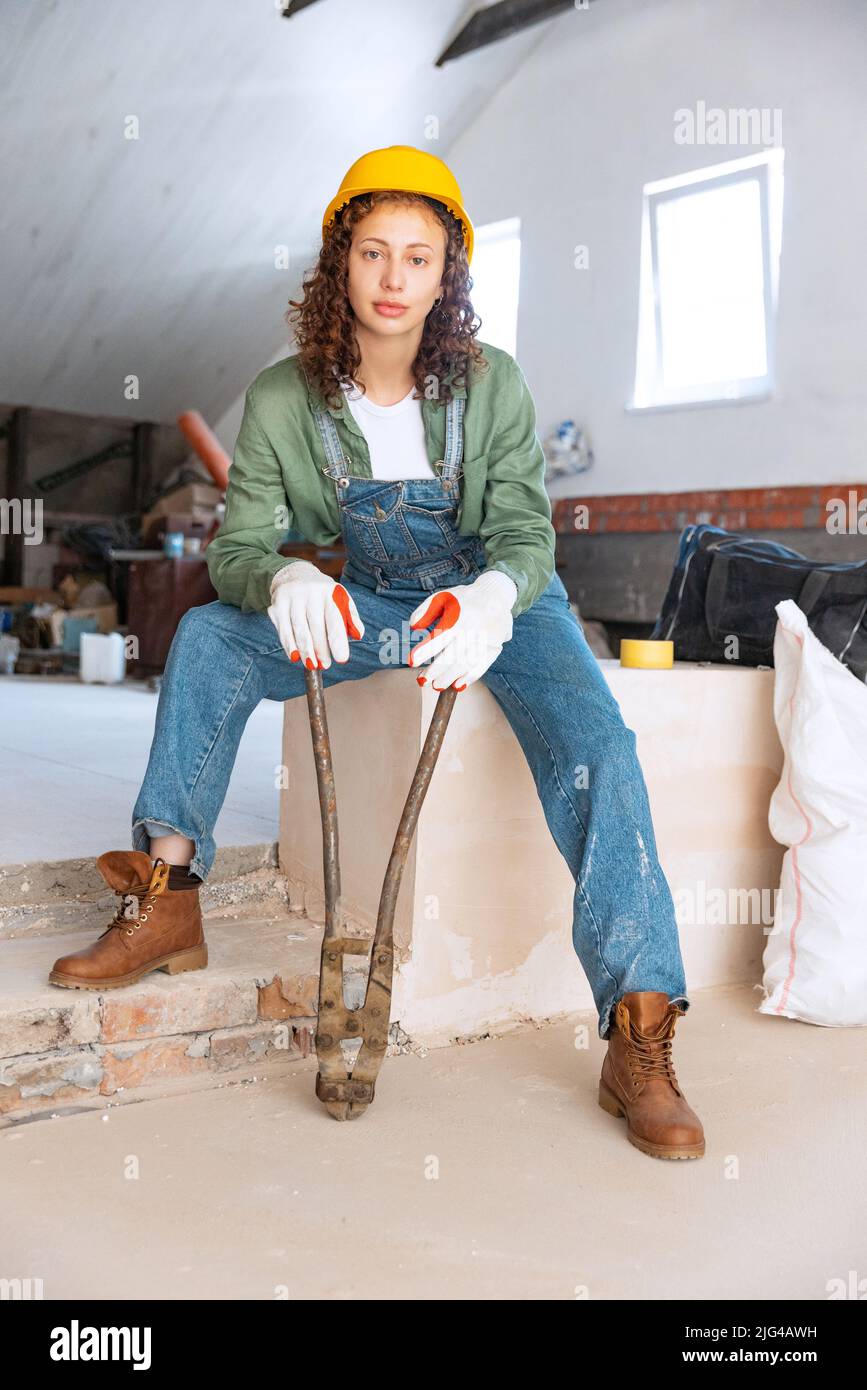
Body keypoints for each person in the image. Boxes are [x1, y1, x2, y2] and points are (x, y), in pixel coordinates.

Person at [48, 145, 704, 1160]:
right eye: (373, 253)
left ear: (449, 275)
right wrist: (282, 579)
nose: (394, 280)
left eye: (419, 257)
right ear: (338, 263)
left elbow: (529, 535)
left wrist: (491, 596)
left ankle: (640, 1031)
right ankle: (168, 900)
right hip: (373, 599)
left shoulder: (492, 388)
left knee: (601, 748)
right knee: (211, 635)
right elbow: (236, 548)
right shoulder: (280, 399)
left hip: (498, 605)